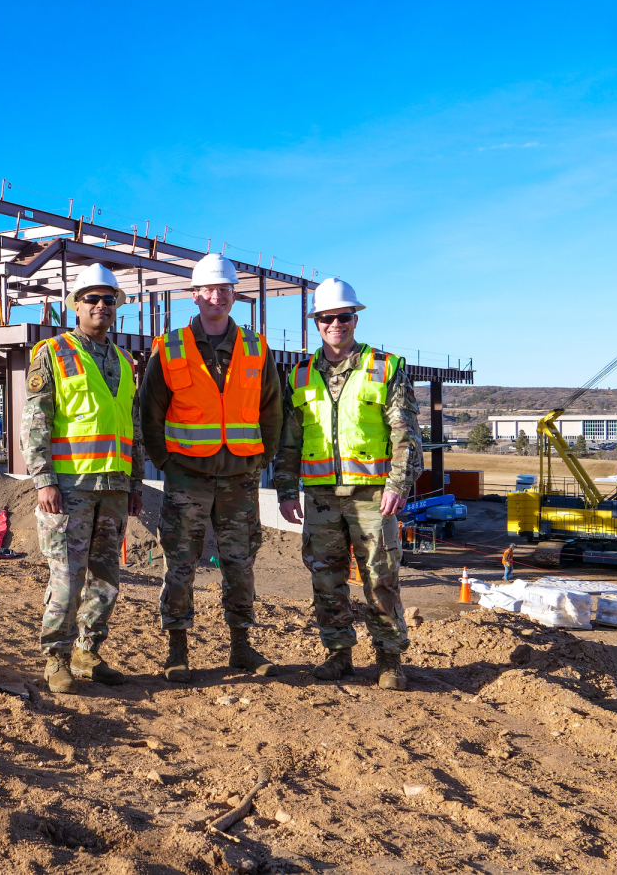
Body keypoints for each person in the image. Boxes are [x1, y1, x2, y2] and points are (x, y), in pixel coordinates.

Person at [274, 278, 424, 691]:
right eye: (327, 318)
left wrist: (398, 483)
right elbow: (289, 440)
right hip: (321, 497)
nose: (335, 324)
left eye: (343, 316)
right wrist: (286, 491)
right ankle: (337, 654)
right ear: (316, 323)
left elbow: (406, 432)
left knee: (380, 576)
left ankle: (390, 659)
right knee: (325, 578)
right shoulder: (300, 374)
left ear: (355, 319)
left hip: (373, 495)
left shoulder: (385, 366)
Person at [141, 253, 284, 682]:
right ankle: (177, 650)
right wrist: (165, 461)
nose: (217, 296)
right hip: (188, 475)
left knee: (240, 564)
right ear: (195, 295)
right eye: (209, 289)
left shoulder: (257, 348)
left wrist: (262, 458)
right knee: (180, 563)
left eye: (224, 289)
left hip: (240, 476)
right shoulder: (168, 347)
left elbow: (273, 409)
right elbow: (150, 410)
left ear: (233, 296)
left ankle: (241, 647)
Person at [22, 263, 144, 694]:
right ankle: (55, 657)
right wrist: (43, 481)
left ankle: (87, 652)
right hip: (69, 487)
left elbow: (132, 422)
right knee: (67, 578)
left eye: (108, 299)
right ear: (75, 305)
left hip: (113, 485)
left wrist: (134, 481)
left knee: (107, 578)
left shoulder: (125, 361)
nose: (100, 305)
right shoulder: (52, 353)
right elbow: (35, 421)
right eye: (91, 298)